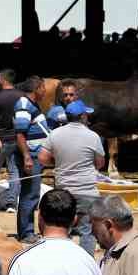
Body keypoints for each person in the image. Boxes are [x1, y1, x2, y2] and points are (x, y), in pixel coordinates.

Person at [38, 100, 107, 255]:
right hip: (87, 191)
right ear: (82, 116)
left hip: (64, 191)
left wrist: (57, 161)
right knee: (87, 232)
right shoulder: (93, 136)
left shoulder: (55, 134)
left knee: (62, 230)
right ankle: (85, 262)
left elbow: (42, 158)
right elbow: (100, 163)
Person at [0, 72, 42, 240]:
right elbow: (21, 130)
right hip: (24, 148)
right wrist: (26, 154)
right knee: (21, 183)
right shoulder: (24, 101)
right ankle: (18, 215)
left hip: (8, 143)